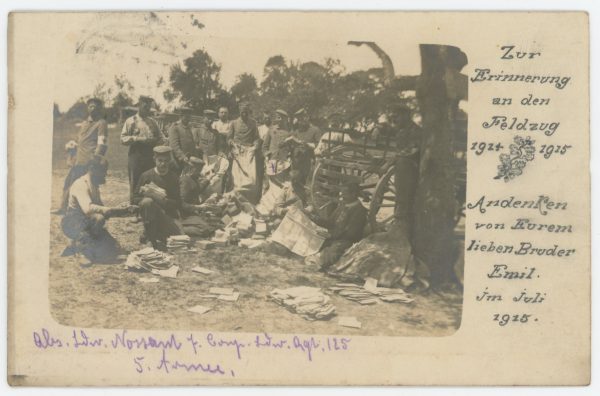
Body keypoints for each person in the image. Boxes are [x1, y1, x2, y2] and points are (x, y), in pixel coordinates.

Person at [61, 157, 136, 264]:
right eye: (103, 171)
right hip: (72, 223)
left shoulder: (94, 185)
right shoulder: (81, 184)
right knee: (98, 218)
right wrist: (109, 210)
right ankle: (82, 251)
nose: (105, 175)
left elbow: (101, 208)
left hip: (87, 222)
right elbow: (88, 209)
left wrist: (121, 209)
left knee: (114, 248)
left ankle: (75, 244)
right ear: (92, 169)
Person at [56, 97, 108, 214]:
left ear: (100, 109)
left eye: (96, 106)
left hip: (90, 160)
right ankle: (64, 208)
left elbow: (102, 144)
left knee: (89, 185)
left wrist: (95, 161)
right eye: (90, 106)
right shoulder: (84, 123)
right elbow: (81, 140)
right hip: (78, 159)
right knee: (69, 182)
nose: (93, 108)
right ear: (87, 108)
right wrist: (73, 145)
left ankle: (89, 208)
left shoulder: (101, 123)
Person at [134, 146, 184, 250]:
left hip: (167, 214)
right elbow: (135, 198)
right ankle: (151, 239)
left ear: (169, 161)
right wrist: (149, 197)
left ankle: (152, 233)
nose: (163, 164)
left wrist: (161, 199)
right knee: (147, 202)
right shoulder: (146, 175)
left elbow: (178, 203)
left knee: (179, 238)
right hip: (150, 213)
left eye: (166, 161)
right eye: (160, 160)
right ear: (154, 160)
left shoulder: (173, 177)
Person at [309, 182, 367, 270]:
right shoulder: (343, 205)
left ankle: (319, 260)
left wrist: (331, 235)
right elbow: (330, 222)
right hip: (334, 237)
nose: (341, 195)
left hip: (346, 241)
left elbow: (351, 234)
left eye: (344, 193)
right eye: (341, 192)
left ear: (353, 194)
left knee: (333, 252)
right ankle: (316, 256)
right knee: (312, 239)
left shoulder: (360, 211)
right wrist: (313, 218)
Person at [121, 96, 164, 204]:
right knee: (136, 181)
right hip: (136, 155)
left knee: (150, 181)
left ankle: (149, 208)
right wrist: (137, 138)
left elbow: (161, 137)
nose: (147, 109)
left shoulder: (153, 122)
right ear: (139, 105)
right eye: (144, 106)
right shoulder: (131, 121)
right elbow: (123, 139)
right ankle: (135, 208)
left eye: (148, 106)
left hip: (150, 155)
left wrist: (157, 141)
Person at [227, 102, 262, 204]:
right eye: (242, 112)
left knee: (250, 179)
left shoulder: (253, 123)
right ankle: (236, 198)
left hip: (249, 153)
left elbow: (256, 138)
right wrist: (232, 144)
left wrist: (255, 146)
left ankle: (250, 200)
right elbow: (229, 138)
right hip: (237, 152)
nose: (244, 114)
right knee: (236, 178)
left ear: (248, 112)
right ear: (239, 112)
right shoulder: (234, 123)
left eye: (246, 112)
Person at [291, 108, 322, 185]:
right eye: (299, 119)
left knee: (308, 185)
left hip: (309, 163)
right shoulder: (297, 131)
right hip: (297, 163)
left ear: (307, 117)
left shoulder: (315, 130)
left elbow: (320, 145)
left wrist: (308, 144)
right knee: (296, 184)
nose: (301, 121)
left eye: (303, 118)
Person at [168, 106, 201, 172]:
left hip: (189, 161)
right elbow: (174, 146)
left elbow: (192, 145)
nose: (187, 118)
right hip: (178, 161)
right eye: (185, 116)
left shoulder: (189, 128)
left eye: (189, 116)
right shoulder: (175, 127)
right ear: (181, 116)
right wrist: (182, 157)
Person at [262, 109, 293, 175]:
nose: (279, 119)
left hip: (283, 161)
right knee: (272, 178)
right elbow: (265, 146)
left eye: (281, 118)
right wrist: (267, 154)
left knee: (283, 180)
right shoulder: (271, 130)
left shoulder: (289, 132)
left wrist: (289, 156)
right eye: (278, 117)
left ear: (285, 119)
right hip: (272, 159)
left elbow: (291, 147)